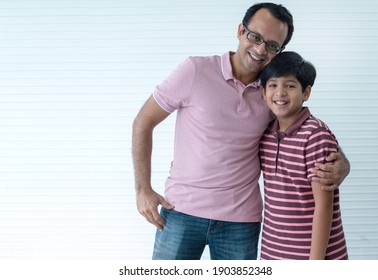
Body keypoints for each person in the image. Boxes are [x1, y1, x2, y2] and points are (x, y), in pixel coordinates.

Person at [132, 3, 350, 260]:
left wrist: (342, 162)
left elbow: (305, 131)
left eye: (272, 45)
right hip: (181, 211)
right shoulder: (194, 71)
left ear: (280, 51)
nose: (260, 49)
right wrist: (142, 188)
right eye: (255, 37)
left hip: (240, 223)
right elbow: (143, 122)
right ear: (240, 31)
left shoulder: (271, 93)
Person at [259, 51, 348, 260]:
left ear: (306, 92)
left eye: (290, 86)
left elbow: (324, 206)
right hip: (273, 252)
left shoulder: (315, 136)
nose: (280, 93)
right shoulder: (265, 135)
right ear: (263, 93)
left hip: (315, 256)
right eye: (273, 85)